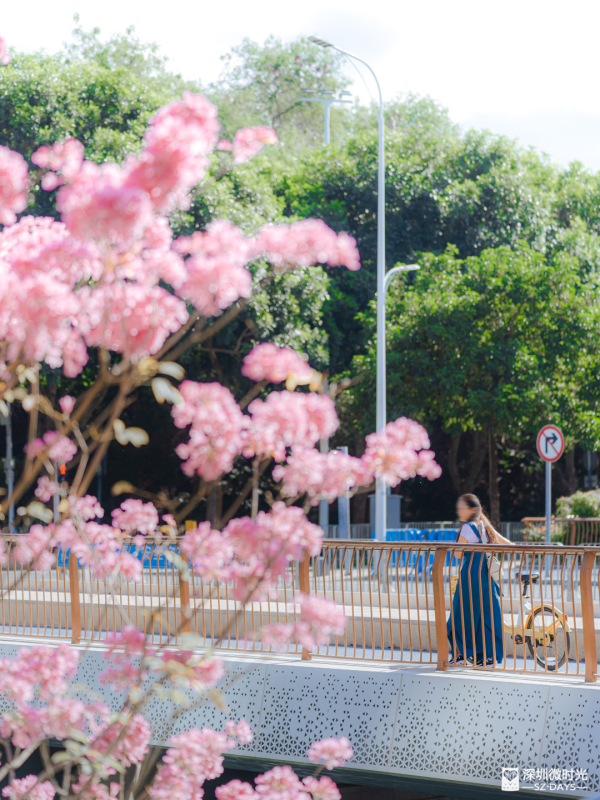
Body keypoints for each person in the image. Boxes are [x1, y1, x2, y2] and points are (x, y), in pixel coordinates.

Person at [446, 493, 512, 667]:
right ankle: (488, 656)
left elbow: (458, 554)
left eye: (462, 508)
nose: (459, 511)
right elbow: (503, 541)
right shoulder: (485, 526)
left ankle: (461, 654)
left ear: (473, 509)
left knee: (461, 613)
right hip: (486, 574)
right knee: (486, 615)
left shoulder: (468, 527)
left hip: (471, 573)